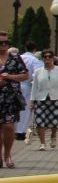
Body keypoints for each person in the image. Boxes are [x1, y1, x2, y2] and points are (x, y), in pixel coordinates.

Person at [29, 49, 58, 150]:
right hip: (41, 99)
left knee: (54, 122)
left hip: (55, 99)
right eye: (45, 57)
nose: (47, 58)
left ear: (53, 58)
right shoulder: (38, 71)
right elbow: (34, 87)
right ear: (42, 59)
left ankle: (53, 135)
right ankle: (42, 143)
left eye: (49, 57)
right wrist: (32, 101)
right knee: (40, 121)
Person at [0, 34, 30, 168]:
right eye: (1, 43)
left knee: (9, 127)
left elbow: (25, 75)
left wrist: (9, 77)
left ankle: (7, 155)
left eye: (6, 42)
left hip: (10, 98)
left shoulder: (15, 58)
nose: (4, 45)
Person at [16, 41, 40, 144]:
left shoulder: (17, 58)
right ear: (34, 49)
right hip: (27, 85)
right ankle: (20, 131)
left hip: (15, 84)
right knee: (25, 110)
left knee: (15, 108)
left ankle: (13, 129)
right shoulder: (35, 60)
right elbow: (37, 74)